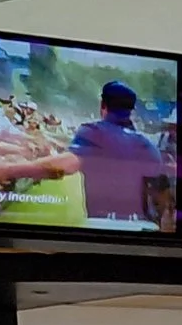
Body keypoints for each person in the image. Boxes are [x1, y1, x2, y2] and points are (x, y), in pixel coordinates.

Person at [69, 80, 169, 225]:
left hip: (99, 226)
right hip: (142, 230)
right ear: (131, 110)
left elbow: (66, 164)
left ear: (103, 105)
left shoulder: (93, 132)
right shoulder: (147, 145)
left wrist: (25, 169)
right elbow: (162, 195)